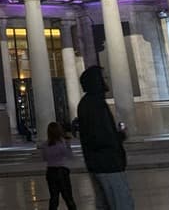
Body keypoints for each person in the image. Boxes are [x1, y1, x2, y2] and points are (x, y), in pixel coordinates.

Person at [77, 66, 135, 209]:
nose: (106, 80)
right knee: (121, 203)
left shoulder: (87, 103)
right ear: (96, 81)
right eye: (104, 77)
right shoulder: (95, 104)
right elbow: (100, 137)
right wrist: (119, 135)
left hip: (97, 164)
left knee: (105, 204)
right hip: (108, 163)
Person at [40, 121, 78, 210]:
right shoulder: (62, 143)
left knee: (54, 198)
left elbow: (44, 158)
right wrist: (68, 145)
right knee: (68, 197)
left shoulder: (45, 145)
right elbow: (69, 156)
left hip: (50, 171)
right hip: (62, 171)